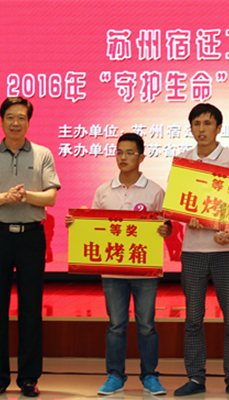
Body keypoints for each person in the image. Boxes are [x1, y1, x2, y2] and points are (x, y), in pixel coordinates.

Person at [65, 133, 172, 396]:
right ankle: (114, 375)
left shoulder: (155, 191)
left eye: (129, 152)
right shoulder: (104, 190)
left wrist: (166, 230)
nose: (123, 157)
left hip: (144, 270)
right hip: (112, 270)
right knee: (116, 325)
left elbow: (166, 226)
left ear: (141, 157)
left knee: (146, 325)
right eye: (119, 152)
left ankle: (150, 376)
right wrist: (77, 224)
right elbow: (94, 227)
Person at [0, 97, 61, 398]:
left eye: (21, 117)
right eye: (10, 117)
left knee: (31, 309)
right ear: (1, 121)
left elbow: (50, 198)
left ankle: (29, 379)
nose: (15, 123)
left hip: (31, 237)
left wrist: (24, 196)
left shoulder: (42, 154)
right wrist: (4, 198)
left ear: (28, 122)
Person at [173, 103, 229, 398]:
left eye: (207, 123)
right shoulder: (184, 160)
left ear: (219, 128)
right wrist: (186, 216)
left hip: (226, 251)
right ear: (191, 128)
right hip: (193, 250)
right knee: (193, 318)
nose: (202, 129)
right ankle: (195, 378)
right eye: (197, 123)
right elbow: (177, 202)